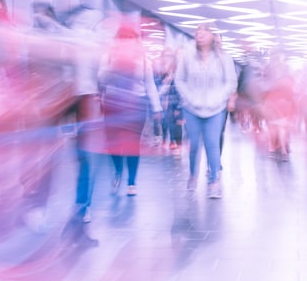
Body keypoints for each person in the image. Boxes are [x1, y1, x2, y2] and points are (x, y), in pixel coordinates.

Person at [61, 0, 106, 227]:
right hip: (64, 94)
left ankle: (83, 204)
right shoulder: (67, 18)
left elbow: (103, 57)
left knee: (85, 154)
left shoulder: (100, 23)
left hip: (87, 95)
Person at [174, 23, 237, 198]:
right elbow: (180, 80)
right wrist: (189, 97)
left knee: (212, 144)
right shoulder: (187, 56)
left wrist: (220, 99)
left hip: (216, 109)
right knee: (194, 145)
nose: (199, 33)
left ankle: (214, 181)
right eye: (197, 31)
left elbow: (231, 82)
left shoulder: (224, 58)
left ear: (213, 36)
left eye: (204, 30)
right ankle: (193, 174)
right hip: (192, 108)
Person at [98, 22, 160, 196]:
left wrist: (156, 108)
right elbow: (101, 80)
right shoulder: (108, 57)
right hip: (113, 105)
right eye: (123, 39)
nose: (127, 42)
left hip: (136, 106)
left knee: (132, 144)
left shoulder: (144, 61)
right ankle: (118, 170)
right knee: (113, 144)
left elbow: (150, 85)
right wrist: (115, 64)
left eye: (131, 39)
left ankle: (132, 181)